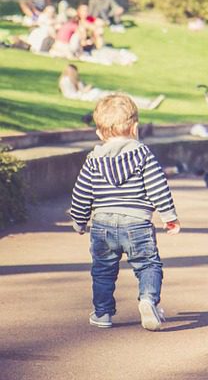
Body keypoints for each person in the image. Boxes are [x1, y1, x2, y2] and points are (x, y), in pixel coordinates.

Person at [70, 93, 180, 330]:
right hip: (137, 223)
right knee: (148, 264)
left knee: (102, 271)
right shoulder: (142, 154)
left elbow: (81, 193)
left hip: (102, 225)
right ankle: (148, 300)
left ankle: (102, 314)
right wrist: (169, 216)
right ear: (135, 128)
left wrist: (79, 221)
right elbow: (158, 186)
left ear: (99, 133)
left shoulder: (93, 160)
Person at [59, 64, 165, 110]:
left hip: (95, 93)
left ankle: (148, 103)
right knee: (121, 98)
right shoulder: (66, 81)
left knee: (122, 95)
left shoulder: (76, 80)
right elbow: (71, 96)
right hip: (92, 96)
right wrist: (84, 91)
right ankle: (147, 104)